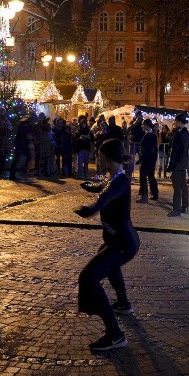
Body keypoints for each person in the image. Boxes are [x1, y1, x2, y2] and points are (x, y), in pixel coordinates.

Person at [75, 138, 139, 351]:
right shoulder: (116, 177)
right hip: (119, 240)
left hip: (122, 243)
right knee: (109, 266)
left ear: (109, 158)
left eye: (100, 156)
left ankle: (115, 334)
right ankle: (123, 304)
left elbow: (107, 196)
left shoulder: (120, 181)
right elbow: (103, 188)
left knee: (88, 277)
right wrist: (91, 187)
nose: (97, 159)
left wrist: (92, 209)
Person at [165, 113, 189, 216]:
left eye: (175, 121)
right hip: (183, 163)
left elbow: (174, 152)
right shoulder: (187, 134)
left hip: (176, 164)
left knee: (177, 187)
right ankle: (185, 206)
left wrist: (170, 167)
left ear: (179, 122)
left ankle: (176, 209)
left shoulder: (178, 135)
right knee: (183, 186)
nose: (174, 123)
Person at [136, 119, 159, 203]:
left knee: (143, 177)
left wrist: (141, 159)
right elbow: (154, 149)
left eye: (143, 125)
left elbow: (146, 149)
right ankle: (155, 193)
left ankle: (144, 196)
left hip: (147, 159)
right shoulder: (153, 135)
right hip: (151, 159)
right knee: (151, 176)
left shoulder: (148, 136)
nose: (142, 126)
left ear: (146, 125)